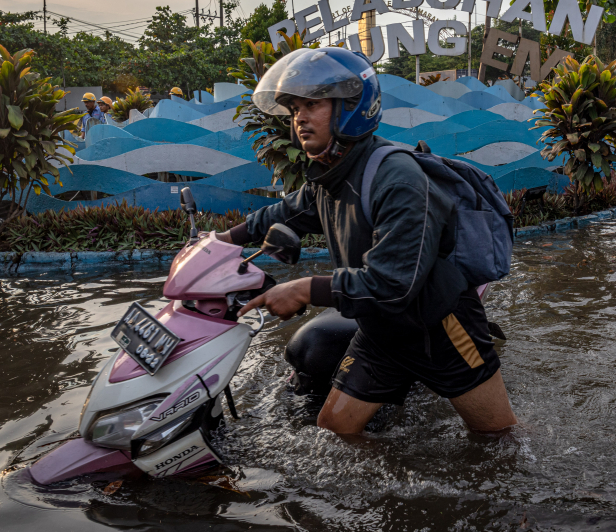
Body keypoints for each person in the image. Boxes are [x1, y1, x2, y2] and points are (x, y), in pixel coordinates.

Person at [217, 47, 518, 436]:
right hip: (382, 331)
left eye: (312, 104)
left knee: (499, 439)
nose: (300, 118)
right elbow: (288, 211)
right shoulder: (333, 173)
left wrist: (304, 289)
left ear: (351, 107)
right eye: (294, 109)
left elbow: (393, 283)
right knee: (334, 432)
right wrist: (223, 240)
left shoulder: (399, 178)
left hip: (441, 330)